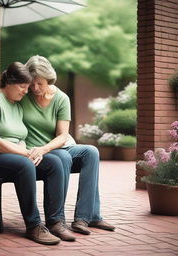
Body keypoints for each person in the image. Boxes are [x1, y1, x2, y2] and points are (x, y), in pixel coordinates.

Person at [0, 62, 75, 245]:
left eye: (28, 87)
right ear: (9, 82)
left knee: (54, 162)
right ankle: (33, 226)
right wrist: (26, 154)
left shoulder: (16, 103)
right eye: (23, 87)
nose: (26, 91)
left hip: (9, 157)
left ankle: (55, 221)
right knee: (24, 165)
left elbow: (20, 136)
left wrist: (31, 152)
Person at [21, 55, 115, 235]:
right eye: (32, 83)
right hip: (37, 151)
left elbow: (63, 136)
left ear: (49, 78)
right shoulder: (24, 95)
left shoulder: (61, 98)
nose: (35, 88)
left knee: (91, 152)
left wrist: (45, 148)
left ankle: (86, 217)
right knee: (63, 157)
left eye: (40, 83)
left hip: (55, 146)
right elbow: (7, 91)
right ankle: (57, 220)